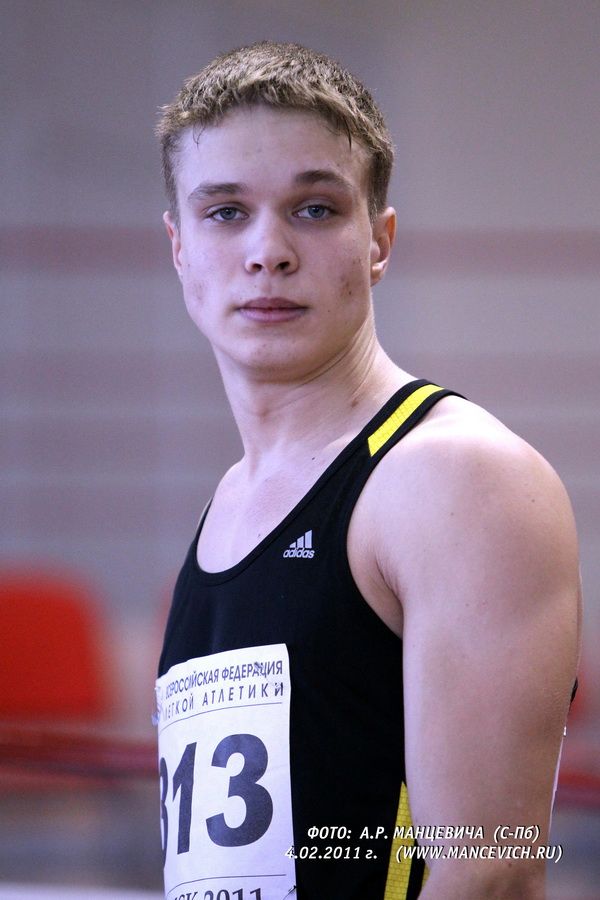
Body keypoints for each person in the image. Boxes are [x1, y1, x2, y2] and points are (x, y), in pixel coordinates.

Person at [154, 41, 581, 900]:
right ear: (179, 248)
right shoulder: (227, 504)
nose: (268, 251)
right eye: (226, 212)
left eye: (314, 209)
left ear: (379, 242)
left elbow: (490, 873)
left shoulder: (456, 478)